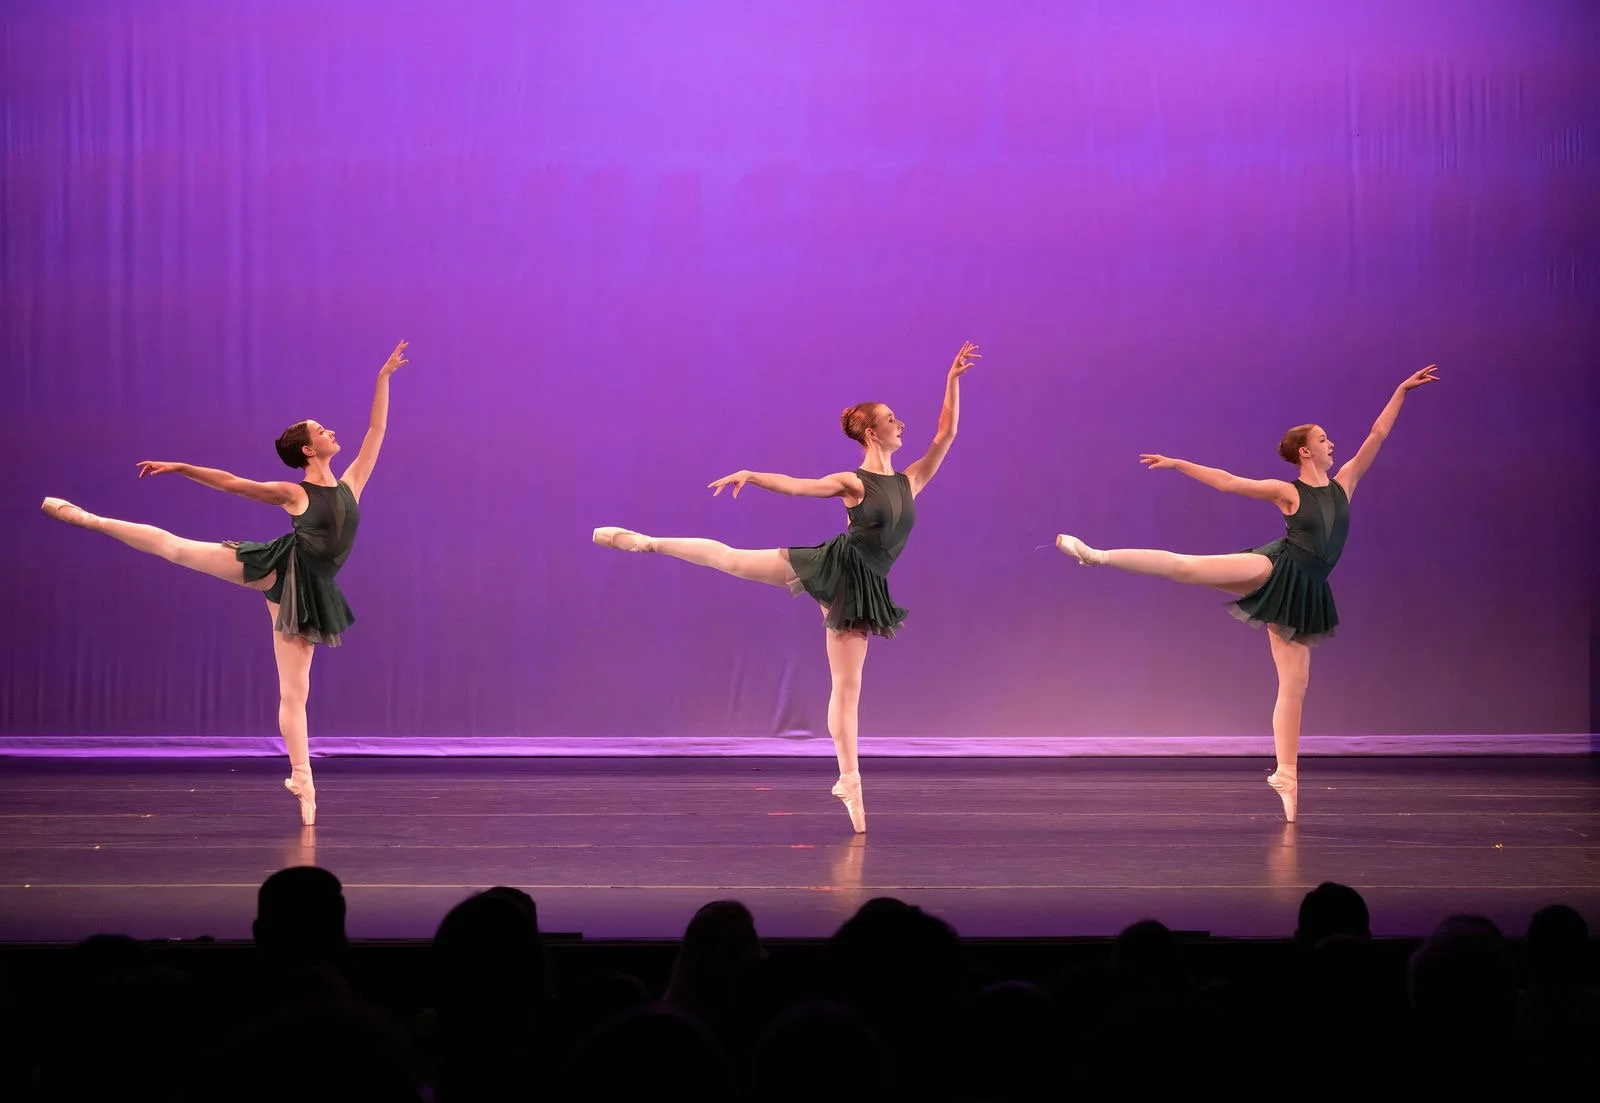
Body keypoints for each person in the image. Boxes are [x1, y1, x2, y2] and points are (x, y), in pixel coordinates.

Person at [593, 341, 981, 832]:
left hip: (866, 585)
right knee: (732, 560)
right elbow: (798, 485)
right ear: (870, 430)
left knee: (848, 687)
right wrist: (753, 475)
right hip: (837, 568)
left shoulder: (911, 480)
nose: (901, 423)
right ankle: (644, 543)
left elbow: (947, 434)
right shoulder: (854, 481)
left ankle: (848, 782)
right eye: (891, 417)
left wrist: (952, 379)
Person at [41, 340, 410, 825]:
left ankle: (302, 778)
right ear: (307, 449)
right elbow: (232, 482)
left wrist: (383, 377)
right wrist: (181, 467)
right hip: (278, 568)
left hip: (310, 593)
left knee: (295, 693)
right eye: (322, 430)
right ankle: (87, 519)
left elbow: (377, 430)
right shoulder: (293, 492)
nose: (332, 431)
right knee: (176, 548)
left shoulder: (352, 482)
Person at [1054, 365, 1440, 821]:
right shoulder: (1288, 491)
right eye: (1323, 439)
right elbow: (1230, 482)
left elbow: (1377, 434)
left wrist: (1399, 391)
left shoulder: (1346, 483)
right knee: (1189, 567)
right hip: (1276, 567)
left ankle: (1287, 777)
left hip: (1306, 592)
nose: (1332, 443)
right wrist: (1179, 464)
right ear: (1304, 451)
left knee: (1294, 687)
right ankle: (1096, 555)